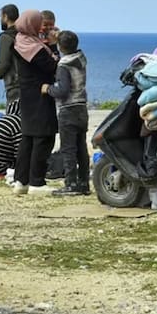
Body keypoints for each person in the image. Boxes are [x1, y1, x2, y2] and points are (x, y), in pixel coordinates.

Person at [12, 9, 59, 196]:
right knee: (44, 136)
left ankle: (21, 181)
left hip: (27, 94)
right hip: (40, 94)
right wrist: (54, 46)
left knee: (28, 138)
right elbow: (53, 67)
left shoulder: (21, 40)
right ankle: (36, 182)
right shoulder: (35, 47)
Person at [41, 31, 90, 196]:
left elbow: (62, 90)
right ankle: (84, 182)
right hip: (82, 107)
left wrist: (48, 89)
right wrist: (61, 35)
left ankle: (71, 183)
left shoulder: (63, 65)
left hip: (68, 109)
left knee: (68, 149)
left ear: (60, 47)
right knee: (81, 147)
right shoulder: (81, 58)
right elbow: (70, 43)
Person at [0, 3, 20, 105]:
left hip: (14, 84)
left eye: (1, 17)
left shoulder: (6, 37)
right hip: (26, 82)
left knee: (12, 116)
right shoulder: (23, 34)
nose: (0, 20)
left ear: (5, 16)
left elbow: (4, 62)